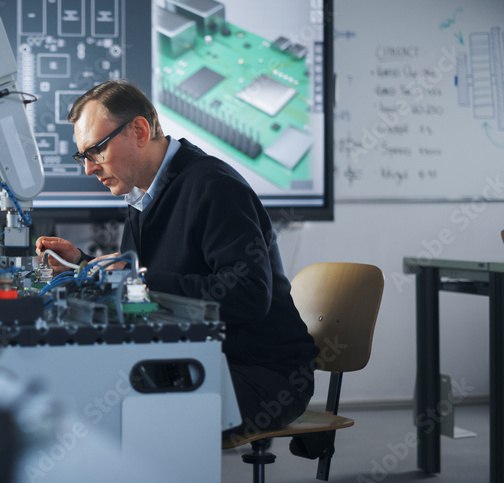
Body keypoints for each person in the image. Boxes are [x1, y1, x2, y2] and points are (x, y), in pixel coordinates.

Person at [35, 80, 319, 439]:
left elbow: (248, 295)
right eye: (83, 157)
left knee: (121, 414)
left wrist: (136, 279)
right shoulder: (144, 196)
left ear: (139, 131)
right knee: (86, 391)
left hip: (260, 373)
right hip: (197, 357)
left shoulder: (215, 186)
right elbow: (154, 277)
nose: (89, 169)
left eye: (96, 151)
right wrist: (82, 263)